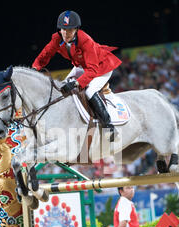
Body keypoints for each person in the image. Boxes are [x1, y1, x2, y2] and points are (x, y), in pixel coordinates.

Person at [32, 10, 122, 142]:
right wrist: (35, 69)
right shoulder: (57, 38)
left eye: (69, 30)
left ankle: (109, 127)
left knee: (90, 91)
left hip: (102, 67)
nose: (65, 33)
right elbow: (45, 55)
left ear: (76, 29)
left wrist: (76, 83)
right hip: (82, 66)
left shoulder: (85, 40)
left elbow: (92, 69)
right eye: (63, 29)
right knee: (63, 85)